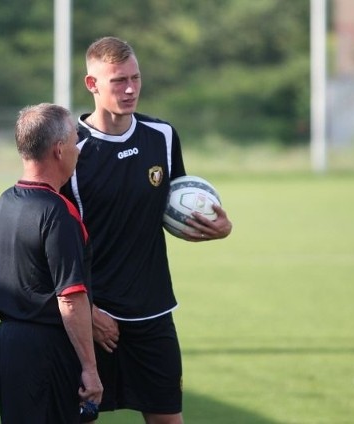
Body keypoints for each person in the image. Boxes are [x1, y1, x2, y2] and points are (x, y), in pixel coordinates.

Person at [60, 36, 233, 424]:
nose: (130, 89)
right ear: (92, 85)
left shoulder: (163, 136)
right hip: (94, 318)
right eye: (119, 80)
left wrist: (217, 227)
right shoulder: (70, 149)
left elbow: (178, 206)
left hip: (154, 312)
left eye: (135, 78)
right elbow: (55, 242)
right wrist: (86, 310)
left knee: (168, 420)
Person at [0, 103, 103, 423]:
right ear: (59, 150)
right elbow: (69, 298)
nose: (78, 151)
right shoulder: (60, 213)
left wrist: (22, 304)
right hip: (48, 350)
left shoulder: (6, 201)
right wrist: (90, 368)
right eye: (73, 141)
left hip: (9, 343)